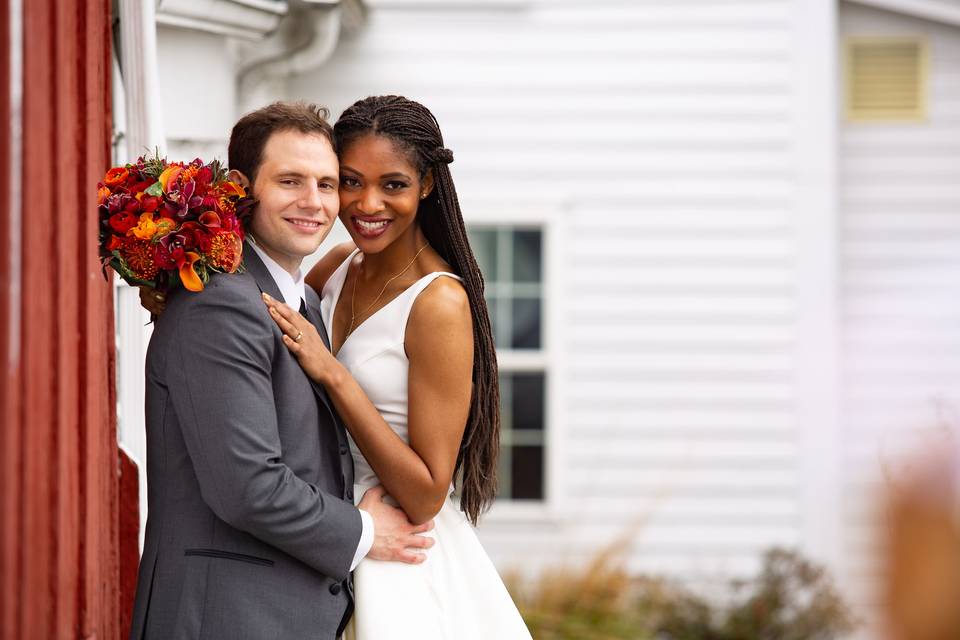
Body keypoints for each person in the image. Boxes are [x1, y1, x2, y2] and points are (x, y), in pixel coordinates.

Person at [129, 102, 433, 640]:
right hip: (223, 616)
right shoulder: (222, 303)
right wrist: (364, 531)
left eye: (326, 183)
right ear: (244, 188)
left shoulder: (301, 300)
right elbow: (249, 486)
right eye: (290, 181)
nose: (313, 203)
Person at [260, 95, 531, 639]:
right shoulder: (337, 266)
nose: (368, 204)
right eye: (352, 181)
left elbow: (428, 493)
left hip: (402, 556)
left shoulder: (438, 303)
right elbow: (259, 326)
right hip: (332, 536)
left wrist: (333, 374)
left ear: (427, 184)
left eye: (394, 185)